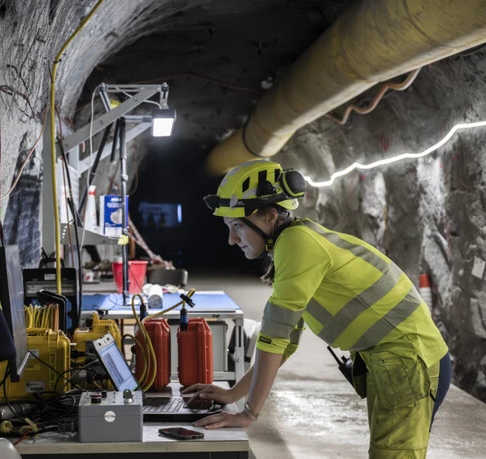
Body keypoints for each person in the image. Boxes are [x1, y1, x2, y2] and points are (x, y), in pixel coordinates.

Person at [186, 159, 452, 458]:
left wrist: (248, 413)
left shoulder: (297, 244)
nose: (232, 239)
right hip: (398, 359)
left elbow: (274, 339)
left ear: (270, 216)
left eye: (236, 226)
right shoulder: (294, 242)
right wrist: (233, 393)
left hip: (409, 359)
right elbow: (285, 344)